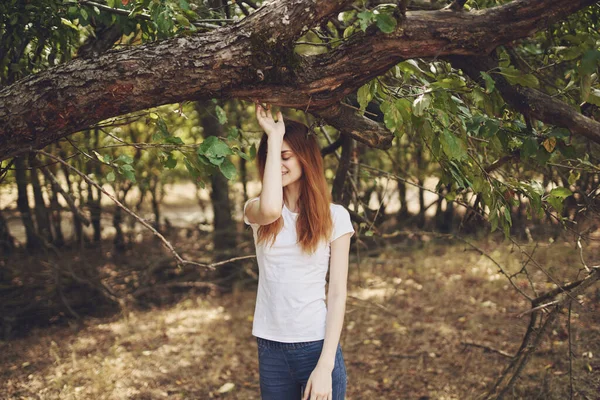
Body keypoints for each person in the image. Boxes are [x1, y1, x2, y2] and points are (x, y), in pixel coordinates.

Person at [243, 103, 355, 400]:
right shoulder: (256, 210)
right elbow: (269, 208)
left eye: (285, 156)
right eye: (270, 156)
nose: (277, 163)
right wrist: (275, 136)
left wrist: (324, 367)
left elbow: (337, 293)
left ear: (305, 158)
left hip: (315, 346)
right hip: (270, 348)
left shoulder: (336, 217)